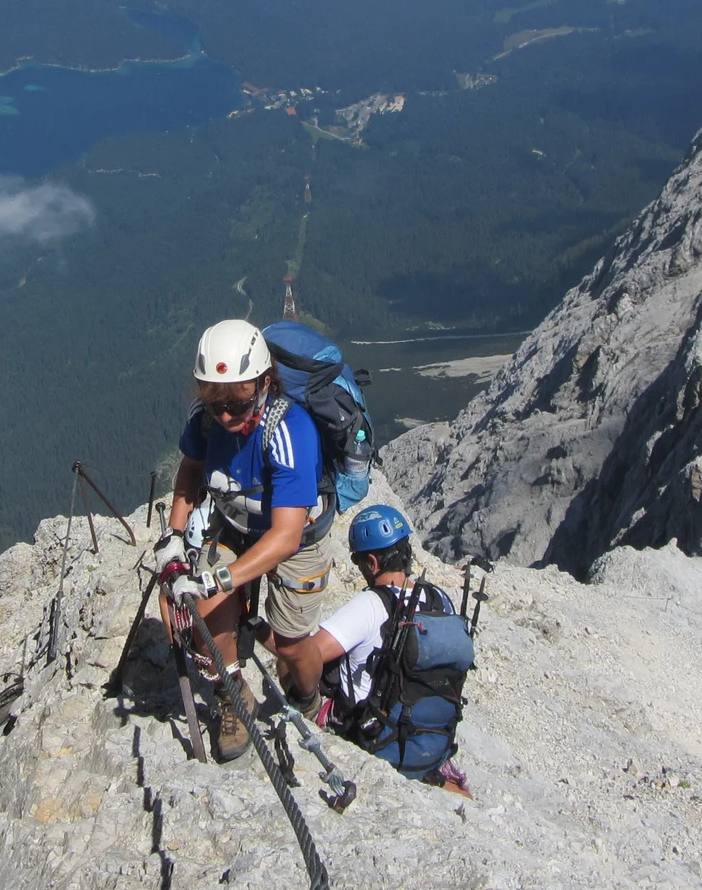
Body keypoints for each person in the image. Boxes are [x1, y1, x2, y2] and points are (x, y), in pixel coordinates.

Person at [155, 319, 336, 762]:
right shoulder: (207, 423)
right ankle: (234, 695)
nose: (226, 417)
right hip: (235, 524)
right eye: (215, 404)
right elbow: (191, 470)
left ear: (265, 383)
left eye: (237, 404)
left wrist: (217, 579)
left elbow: (287, 536)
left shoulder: (289, 431)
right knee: (208, 619)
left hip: (296, 540)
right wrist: (174, 538)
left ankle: (308, 694)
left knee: (292, 643)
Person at [305, 504, 472, 797]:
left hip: (373, 736)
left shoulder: (371, 605)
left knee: (295, 667)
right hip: (430, 741)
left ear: (372, 562)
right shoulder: (439, 600)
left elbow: (310, 654)